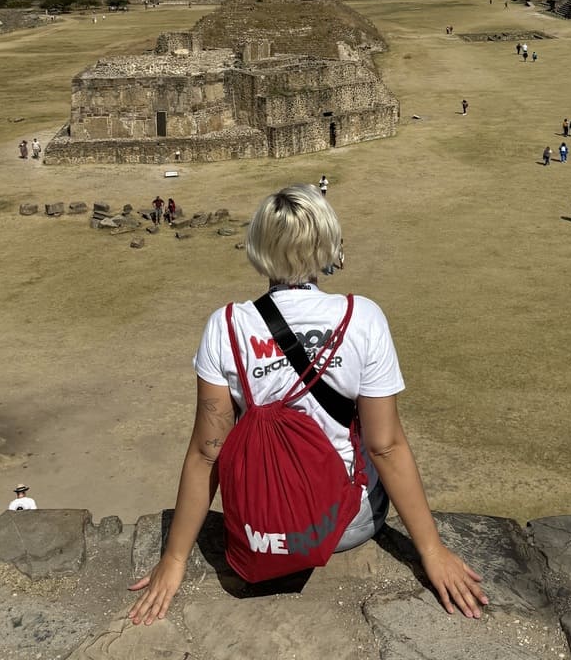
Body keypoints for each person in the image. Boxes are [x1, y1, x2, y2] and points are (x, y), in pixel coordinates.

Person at [127, 185, 489, 626]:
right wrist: (431, 551)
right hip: (347, 523)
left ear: (258, 248)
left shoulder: (226, 326)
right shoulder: (362, 318)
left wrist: (175, 559)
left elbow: (208, 451)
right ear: (328, 247)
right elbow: (385, 446)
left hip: (261, 525)